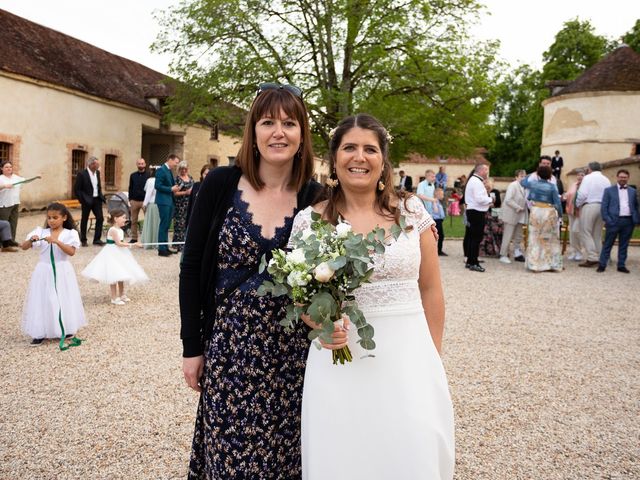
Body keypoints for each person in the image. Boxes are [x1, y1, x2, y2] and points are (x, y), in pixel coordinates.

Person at [295, 113, 454, 479]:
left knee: (412, 450)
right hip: (340, 361)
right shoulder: (311, 221)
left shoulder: (412, 211)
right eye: (349, 148)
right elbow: (300, 296)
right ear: (334, 159)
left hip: (410, 362)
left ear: (383, 160)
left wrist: (433, 357)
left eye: (370, 149)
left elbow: (431, 288)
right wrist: (320, 324)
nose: (359, 157)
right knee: (345, 456)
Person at [179, 83, 324, 479]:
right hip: (231, 353)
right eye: (268, 122)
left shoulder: (317, 197)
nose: (279, 132)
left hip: (295, 357)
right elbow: (191, 268)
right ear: (253, 132)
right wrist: (193, 346)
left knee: (289, 461)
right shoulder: (220, 184)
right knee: (231, 461)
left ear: (302, 134)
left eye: (289, 123)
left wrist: (413, 224)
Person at [20, 203, 86, 345]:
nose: (51, 221)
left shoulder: (70, 234)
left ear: (64, 218)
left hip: (62, 270)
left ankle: (65, 327)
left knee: (63, 296)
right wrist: (31, 240)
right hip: (44, 269)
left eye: (55, 217)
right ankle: (40, 330)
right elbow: (23, 247)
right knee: (43, 298)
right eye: (49, 218)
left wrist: (57, 241)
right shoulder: (41, 232)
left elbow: (71, 252)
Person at [82, 209, 148, 305]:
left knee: (121, 274)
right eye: (123, 218)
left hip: (120, 253)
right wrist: (133, 245)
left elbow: (121, 243)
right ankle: (113, 297)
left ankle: (121, 294)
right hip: (112, 254)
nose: (125, 220)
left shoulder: (120, 230)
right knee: (114, 276)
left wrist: (131, 245)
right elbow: (119, 243)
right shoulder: (113, 230)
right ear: (116, 219)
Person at [520, 166, 563, 272]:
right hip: (548, 212)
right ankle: (550, 264)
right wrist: (561, 215)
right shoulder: (553, 186)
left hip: (535, 211)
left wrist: (532, 174)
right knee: (549, 238)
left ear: (538, 174)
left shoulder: (533, 183)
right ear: (549, 175)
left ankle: (534, 264)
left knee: (534, 237)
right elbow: (557, 202)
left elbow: (522, 182)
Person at [597, 169, 639, 273]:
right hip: (613, 221)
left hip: (628, 221)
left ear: (628, 178)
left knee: (624, 244)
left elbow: (635, 206)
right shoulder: (608, 190)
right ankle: (602, 264)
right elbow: (604, 207)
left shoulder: (633, 191)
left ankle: (621, 265)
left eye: (625, 177)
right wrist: (608, 219)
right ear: (617, 177)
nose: (622, 179)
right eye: (621, 177)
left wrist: (636, 220)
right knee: (608, 244)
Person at [575, 162, 610, 267]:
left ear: (589, 169)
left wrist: (577, 204)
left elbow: (582, 194)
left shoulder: (587, 178)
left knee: (585, 231)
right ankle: (602, 257)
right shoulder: (606, 179)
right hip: (603, 206)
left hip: (590, 205)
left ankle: (592, 257)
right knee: (597, 234)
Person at [463, 164, 493, 272]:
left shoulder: (473, 180)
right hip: (476, 211)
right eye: (487, 171)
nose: (487, 173)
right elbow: (480, 199)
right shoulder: (476, 182)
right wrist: (491, 199)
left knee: (472, 237)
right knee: (476, 238)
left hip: (473, 211)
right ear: (482, 170)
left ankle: (470, 261)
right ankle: (474, 262)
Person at [74, 156, 106, 247]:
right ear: (91, 164)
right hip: (86, 200)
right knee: (84, 219)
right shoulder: (82, 174)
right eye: (97, 163)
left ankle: (97, 239)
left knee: (100, 218)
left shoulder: (98, 173)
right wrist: (82, 200)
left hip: (97, 200)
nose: (98, 165)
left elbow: (98, 186)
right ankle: (83, 240)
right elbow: (77, 189)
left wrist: (101, 196)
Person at [499, 169, 527, 264]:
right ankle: (503, 254)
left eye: (524, 176)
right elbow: (508, 200)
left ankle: (517, 253)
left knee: (518, 235)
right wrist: (518, 207)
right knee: (508, 235)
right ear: (516, 177)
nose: (523, 178)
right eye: (521, 176)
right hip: (511, 213)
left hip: (521, 215)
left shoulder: (525, 187)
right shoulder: (513, 185)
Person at [155, 154, 181, 257]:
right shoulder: (161, 170)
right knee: (163, 225)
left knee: (166, 226)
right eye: (176, 162)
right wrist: (171, 189)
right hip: (163, 201)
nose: (176, 165)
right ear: (170, 160)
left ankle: (165, 247)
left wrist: (175, 188)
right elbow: (157, 185)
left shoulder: (169, 171)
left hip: (169, 201)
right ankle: (161, 249)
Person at [0, 161, 25, 245]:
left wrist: (36, 177)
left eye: (10, 167)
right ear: (1, 168)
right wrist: (4, 186)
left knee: (13, 224)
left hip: (15, 203)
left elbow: (25, 181)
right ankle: (2, 244)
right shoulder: (1, 178)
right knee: (4, 225)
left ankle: (11, 242)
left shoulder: (15, 177)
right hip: (4, 205)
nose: (9, 168)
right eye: (6, 167)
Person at [172, 160, 194, 251]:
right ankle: (177, 244)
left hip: (190, 204)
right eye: (182, 169)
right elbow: (175, 193)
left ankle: (185, 243)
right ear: (179, 169)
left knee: (188, 223)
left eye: (185, 169)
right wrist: (186, 192)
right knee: (179, 224)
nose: (184, 171)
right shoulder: (177, 179)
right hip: (180, 205)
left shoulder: (190, 178)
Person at [564, 169, 586, 261]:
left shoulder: (586, 185)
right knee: (572, 233)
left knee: (576, 231)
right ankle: (574, 251)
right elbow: (569, 195)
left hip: (581, 212)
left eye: (582, 175)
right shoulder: (574, 184)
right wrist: (564, 196)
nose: (580, 176)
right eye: (578, 175)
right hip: (571, 211)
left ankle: (579, 251)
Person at [479, 178, 503, 258]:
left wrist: (493, 203)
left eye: (489, 183)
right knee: (485, 233)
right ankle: (484, 251)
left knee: (497, 233)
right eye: (486, 184)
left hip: (494, 214)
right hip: (485, 214)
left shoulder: (495, 192)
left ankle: (498, 251)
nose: (487, 185)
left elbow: (498, 203)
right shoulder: (482, 192)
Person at [127, 158, 149, 243]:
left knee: (147, 220)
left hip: (145, 201)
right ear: (137, 165)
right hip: (134, 201)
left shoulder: (149, 175)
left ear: (145, 164)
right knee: (133, 221)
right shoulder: (133, 175)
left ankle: (146, 238)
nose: (141, 165)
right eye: (139, 164)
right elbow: (130, 187)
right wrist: (130, 199)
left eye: (142, 163)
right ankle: (134, 238)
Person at [140, 167, 160, 249]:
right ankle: (156, 242)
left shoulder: (151, 181)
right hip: (159, 204)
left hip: (152, 204)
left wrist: (144, 204)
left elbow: (148, 193)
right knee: (157, 223)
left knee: (150, 222)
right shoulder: (161, 180)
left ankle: (149, 242)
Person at [432, 187, 447, 256]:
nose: (443, 196)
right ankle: (438, 251)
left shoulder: (438, 202)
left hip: (440, 220)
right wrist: (434, 203)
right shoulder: (435, 201)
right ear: (436, 195)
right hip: (437, 221)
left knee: (441, 236)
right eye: (442, 194)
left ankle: (439, 250)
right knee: (440, 236)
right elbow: (435, 211)